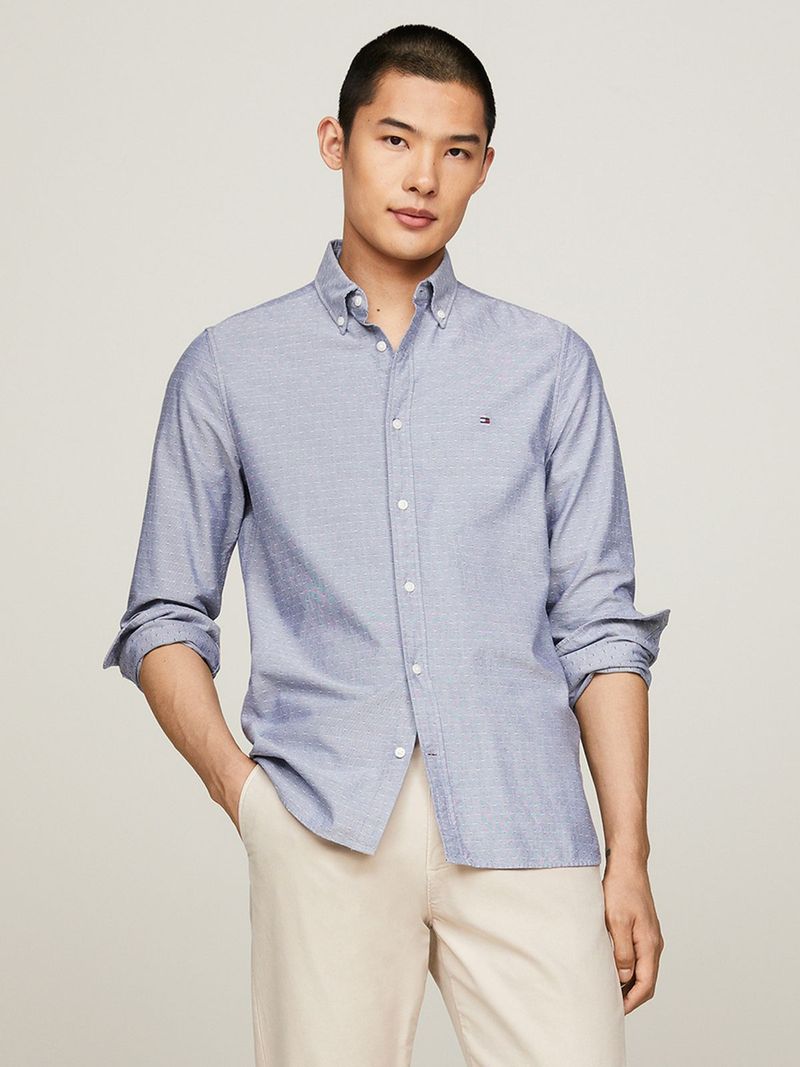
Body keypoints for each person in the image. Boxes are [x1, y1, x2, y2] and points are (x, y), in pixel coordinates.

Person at [102, 22, 670, 1067]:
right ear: (337, 142)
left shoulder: (549, 365)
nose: (422, 178)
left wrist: (626, 852)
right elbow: (163, 615)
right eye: (395, 140)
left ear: (484, 168)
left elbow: (598, 624)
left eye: (455, 151)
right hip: (324, 820)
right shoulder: (230, 367)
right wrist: (247, 798)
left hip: (524, 815)